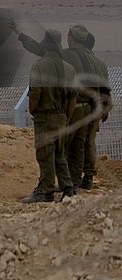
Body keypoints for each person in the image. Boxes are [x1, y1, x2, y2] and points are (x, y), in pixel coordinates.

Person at [11, 22, 77, 202]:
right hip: (62, 117)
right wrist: (66, 117)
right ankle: (68, 188)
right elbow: (72, 98)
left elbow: (34, 96)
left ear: (45, 45)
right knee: (59, 153)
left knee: (45, 154)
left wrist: (33, 111)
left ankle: (46, 191)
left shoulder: (39, 67)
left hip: (45, 117)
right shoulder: (69, 69)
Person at [68, 26, 112, 189]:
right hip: (97, 107)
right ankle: (88, 177)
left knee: (77, 143)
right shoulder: (101, 63)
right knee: (90, 141)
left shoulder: (77, 59)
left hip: (82, 106)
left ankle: (75, 177)